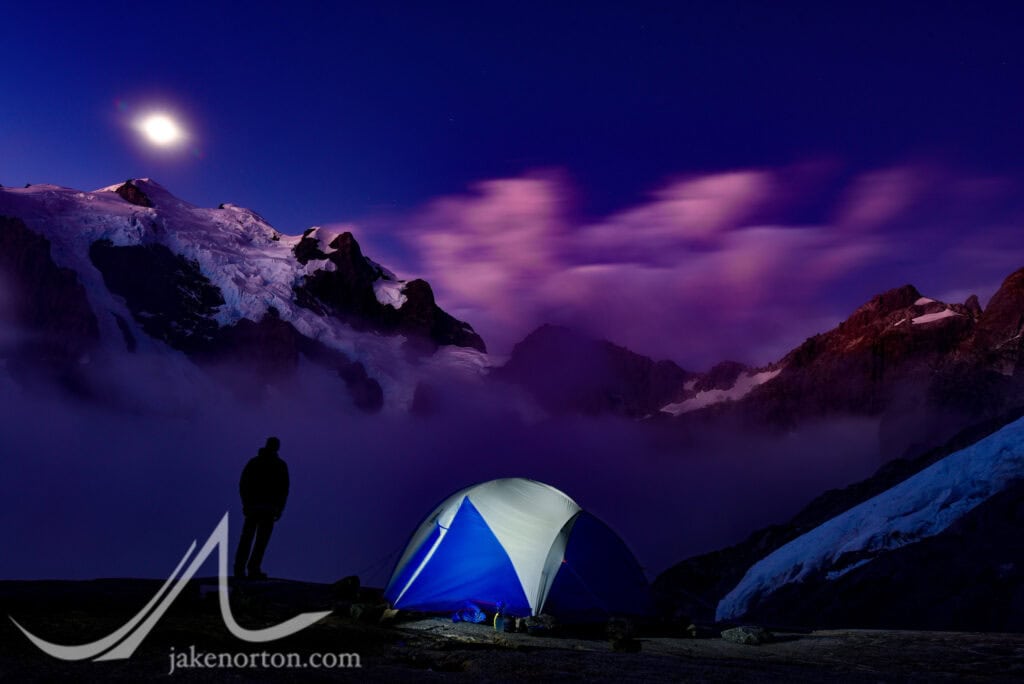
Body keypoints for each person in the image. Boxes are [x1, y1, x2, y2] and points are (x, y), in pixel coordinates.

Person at [234, 436, 289, 580]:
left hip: (259, 508)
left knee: (251, 540)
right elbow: (284, 490)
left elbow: (243, 484)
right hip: (265, 509)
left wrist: (246, 504)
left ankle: (243, 569)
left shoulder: (256, 463)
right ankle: (250, 569)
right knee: (257, 541)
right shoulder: (278, 465)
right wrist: (279, 508)